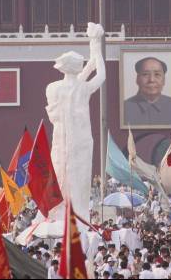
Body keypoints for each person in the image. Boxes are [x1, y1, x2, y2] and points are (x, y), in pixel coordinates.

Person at [46, 22, 106, 222]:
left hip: (61, 140)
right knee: (79, 178)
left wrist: (94, 44)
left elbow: (79, 79)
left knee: (61, 172)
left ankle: (61, 211)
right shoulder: (82, 88)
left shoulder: (53, 88)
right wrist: (96, 47)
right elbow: (100, 75)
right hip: (81, 139)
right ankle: (78, 214)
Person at [123, 56, 171, 126]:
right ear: (137, 79)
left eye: (157, 74)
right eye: (145, 74)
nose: (151, 80)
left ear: (164, 80)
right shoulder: (123, 108)